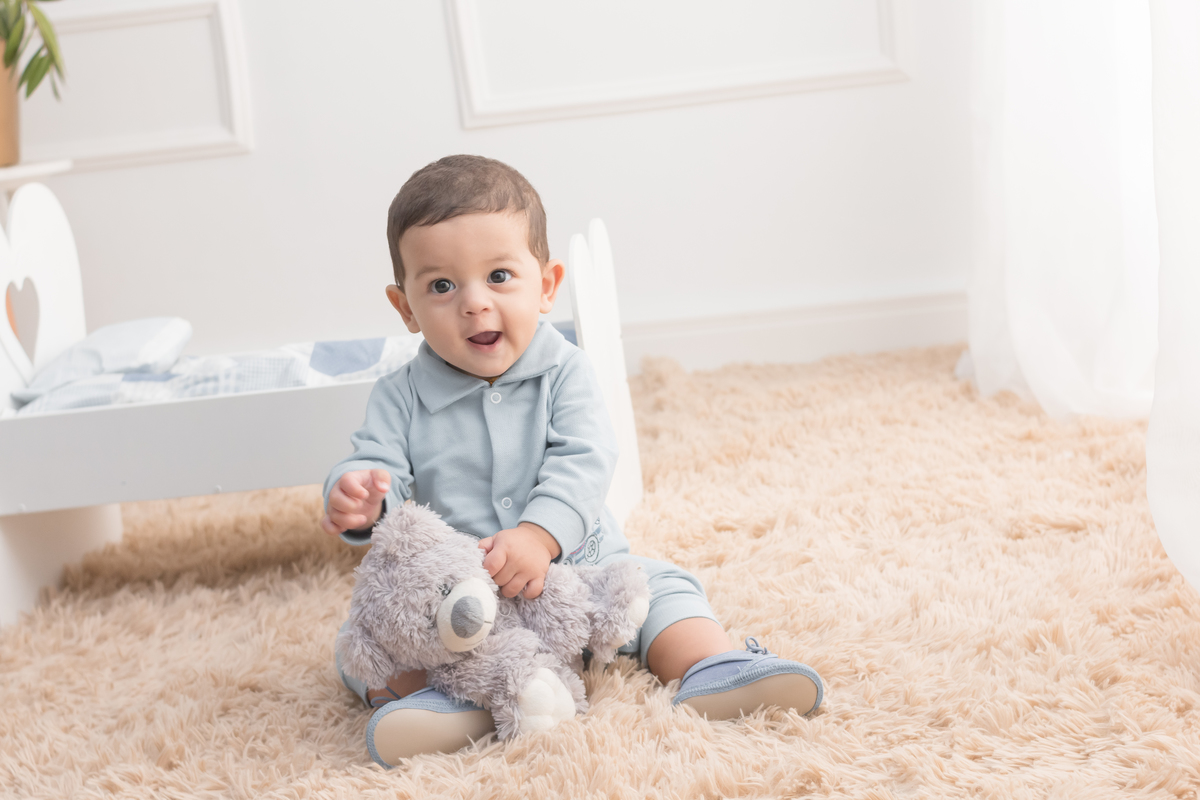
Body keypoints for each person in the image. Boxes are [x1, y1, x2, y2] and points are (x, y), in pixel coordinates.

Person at [321, 155, 824, 768]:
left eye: (500, 275)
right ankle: (438, 705)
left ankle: (709, 666)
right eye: (442, 286)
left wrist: (539, 536)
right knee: (371, 641)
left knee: (662, 588)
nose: (475, 304)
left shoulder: (566, 371)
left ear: (547, 286)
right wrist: (359, 499)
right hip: (467, 607)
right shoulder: (400, 396)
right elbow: (378, 472)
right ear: (405, 308)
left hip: (584, 576)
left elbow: (585, 458)